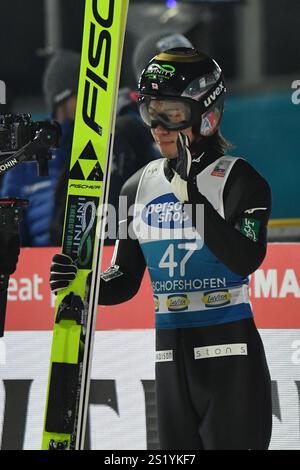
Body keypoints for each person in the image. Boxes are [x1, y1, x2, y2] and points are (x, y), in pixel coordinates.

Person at [49, 47, 272, 450]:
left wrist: (191, 197)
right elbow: (125, 278)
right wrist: (84, 285)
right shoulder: (136, 187)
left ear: (209, 114)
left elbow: (246, 258)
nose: (158, 126)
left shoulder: (241, 180)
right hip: (169, 362)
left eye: (172, 112)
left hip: (231, 361)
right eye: (151, 110)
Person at [1, 49, 80, 246]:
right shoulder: (26, 156)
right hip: (40, 270)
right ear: (62, 99)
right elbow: (8, 231)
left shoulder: (102, 145)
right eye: (81, 93)